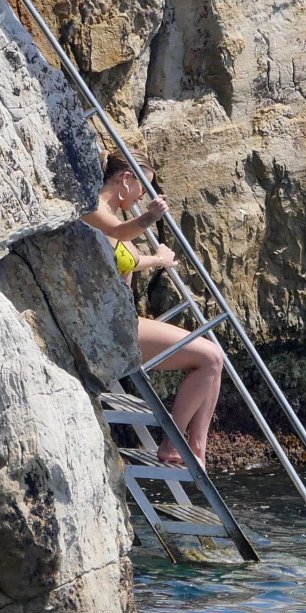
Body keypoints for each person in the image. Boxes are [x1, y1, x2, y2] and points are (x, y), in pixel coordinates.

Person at [82, 154, 224, 468]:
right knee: (211, 358)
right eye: (143, 187)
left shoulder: (113, 215)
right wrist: (150, 216)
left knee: (214, 359)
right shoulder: (93, 208)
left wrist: (159, 259)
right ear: (125, 179)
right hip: (108, 328)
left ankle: (195, 450)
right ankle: (174, 446)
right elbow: (120, 233)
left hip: (121, 321)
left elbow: (130, 257)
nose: (142, 196)